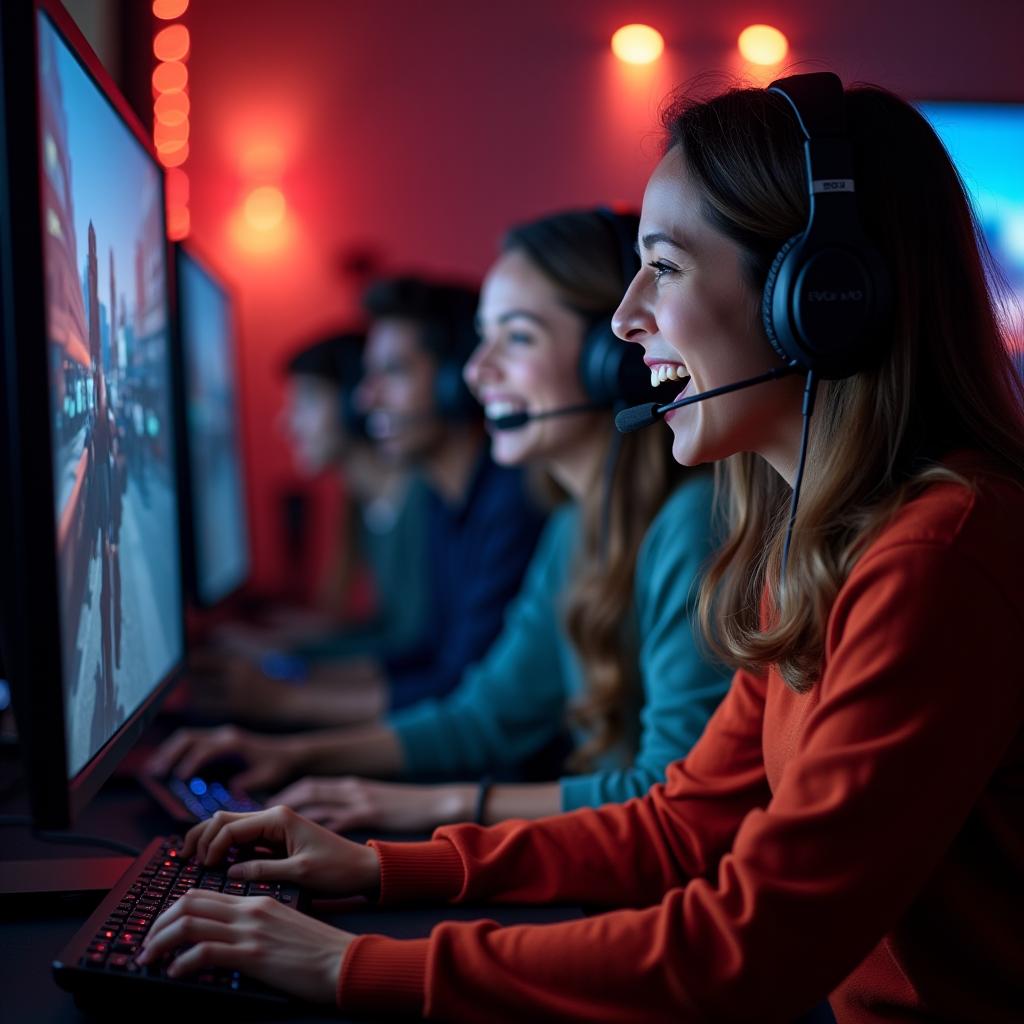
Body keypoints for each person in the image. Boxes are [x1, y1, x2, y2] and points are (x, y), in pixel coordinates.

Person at [136, 77, 1024, 1023]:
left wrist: (353, 966)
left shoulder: (940, 558)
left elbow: (749, 944)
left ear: (821, 298)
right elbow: (684, 824)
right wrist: (382, 867)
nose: (625, 316)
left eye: (667, 267)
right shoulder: (810, 547)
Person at [149, 210, 730, 825]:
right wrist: (291, 754)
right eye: (484, 337)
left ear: (610, 357)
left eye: (519, 337)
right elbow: (486, 716)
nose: (477, 372)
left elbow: (665, 800)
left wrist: (407, 803)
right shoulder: (573, 528)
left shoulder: (688, 526)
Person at [156, 278, 548, 734]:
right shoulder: (449, 502)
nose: (365, 399)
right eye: (368, 376)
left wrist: (291, 696)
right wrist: (289, 669)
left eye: (394, 372)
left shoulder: (511, 502)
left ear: (453, 381)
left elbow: (457, 684)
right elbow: (426, 652)